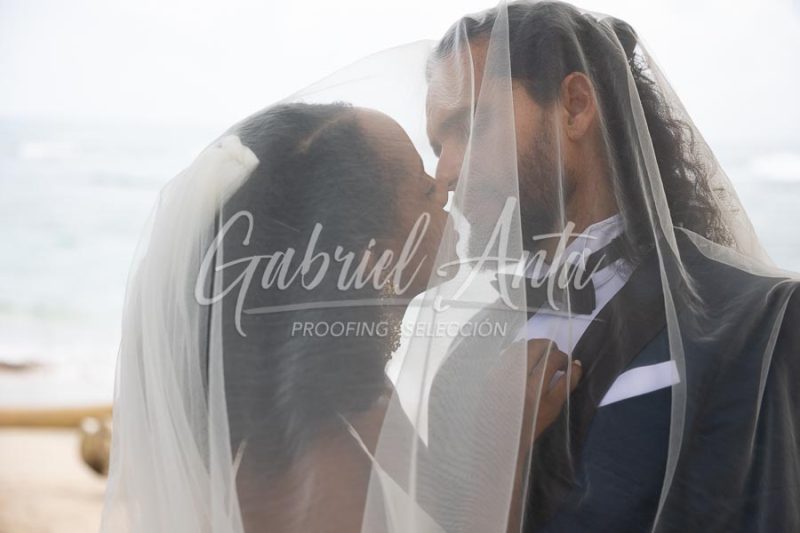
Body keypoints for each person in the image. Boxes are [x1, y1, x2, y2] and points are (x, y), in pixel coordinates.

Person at [424, 2, 800, 532]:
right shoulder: (463, 357)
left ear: (574, 106)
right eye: (437, 145)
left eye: (472, 125)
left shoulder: (760, 319)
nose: (446, 171)